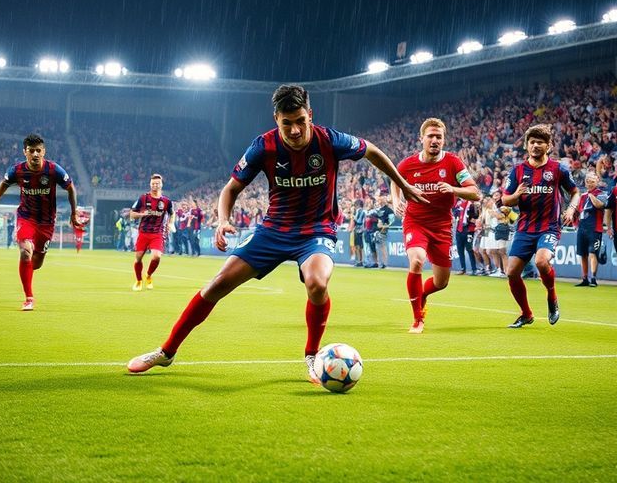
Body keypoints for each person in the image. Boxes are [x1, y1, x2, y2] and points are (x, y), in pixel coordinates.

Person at [127, 84, 424, 381]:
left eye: (300, 121)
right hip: (273, 230)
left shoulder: (330, 140)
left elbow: (371, 150)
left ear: (310, 115)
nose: (294, 130)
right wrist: (222, 220)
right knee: (216, 285)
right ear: (276, 119)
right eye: (287, 123)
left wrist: (402, 183)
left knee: (317, 283)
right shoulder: (263, 146)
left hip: (316, 231)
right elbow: (231, 189)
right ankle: (166, 352)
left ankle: (312, 356)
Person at [391, 117, 480, 333]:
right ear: (421, 138)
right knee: (417, 261)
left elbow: (475, 193)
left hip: (442, 226)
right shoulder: (408, 164)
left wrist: (453, 189)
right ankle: (417, 319)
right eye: (430, 136)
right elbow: (394, 178)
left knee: (441, 282)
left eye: (438, 137)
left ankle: (421, 295)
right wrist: (396, 201)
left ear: (444, 140)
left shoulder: (453, 163)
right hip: (416, 222)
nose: (434, 140)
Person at [0, 134, 78, 311]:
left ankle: (27, 271)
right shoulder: (17, 170)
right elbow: (3, 184)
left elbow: (70, 188)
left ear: (44, 151)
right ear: (25, 152)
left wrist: (74, 212)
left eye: (38, 150)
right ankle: (29, 298)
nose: (35, 154)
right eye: (31, 151)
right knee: (25, 253)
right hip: (26, 217)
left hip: (47, 222)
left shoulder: (54, 170)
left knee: (36, 263)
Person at [502, 124, 579, 328]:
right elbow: (505, 200)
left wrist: (571, 209)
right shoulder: (518, 171)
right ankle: (526, 314)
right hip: (524, 228)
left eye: (540, 142)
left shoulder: (558, 169)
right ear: (527, 145)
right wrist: (516, 195)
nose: (535, 145)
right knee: (511, 273)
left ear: (549, 146)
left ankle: (552, 297)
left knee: (542, 262)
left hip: (549, 227)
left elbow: (575, 192)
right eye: (532, 142)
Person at [130, 174, 174, 291]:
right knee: (138, 258)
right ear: (150, 184)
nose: (155, 185)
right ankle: (139, 280)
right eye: (153, 183)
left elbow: (172, 213)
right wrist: (141, 214)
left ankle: (148, 275)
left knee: (156, 257)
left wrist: (170, 223)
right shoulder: (143, 198)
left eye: (157, 183)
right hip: (143, 232)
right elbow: (132, 214)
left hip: (157, 233)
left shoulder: (166, 201)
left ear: (161, 185)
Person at [574, 171, 608, 287]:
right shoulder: (582, 196)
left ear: (597, 182)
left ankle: (593, 278)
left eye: (592, 181)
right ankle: (584, 278)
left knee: (593, 252)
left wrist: (591, 195)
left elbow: (599, 205)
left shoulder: (601, 194)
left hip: (595, 228)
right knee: (582, 254)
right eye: (588, 181)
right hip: (582, 228)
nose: (590, 184)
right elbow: (579, 211)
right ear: (585, 182)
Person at [454, 198, 479, 275]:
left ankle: (474, 269)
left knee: (469, 249)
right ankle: (463, 269)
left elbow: (476, 216)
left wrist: (471, 220)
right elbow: (456, 215)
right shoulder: (459, 205)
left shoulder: (471, 205)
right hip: (459, 230)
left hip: (468, 230)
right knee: (460, 250)